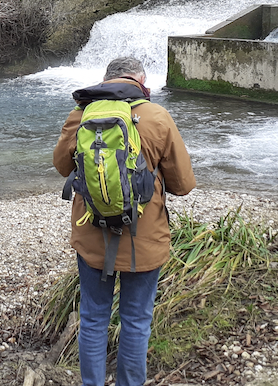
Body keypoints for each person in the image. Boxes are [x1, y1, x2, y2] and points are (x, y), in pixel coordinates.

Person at [52, 56, 196, 386]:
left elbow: (62, 167)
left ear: (106, 80)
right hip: (143, 238)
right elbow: (183, 185)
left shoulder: (81, 114)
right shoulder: (157, 116)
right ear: (142, 82)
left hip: (91, 235)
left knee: (92, 317)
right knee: (135, 319)